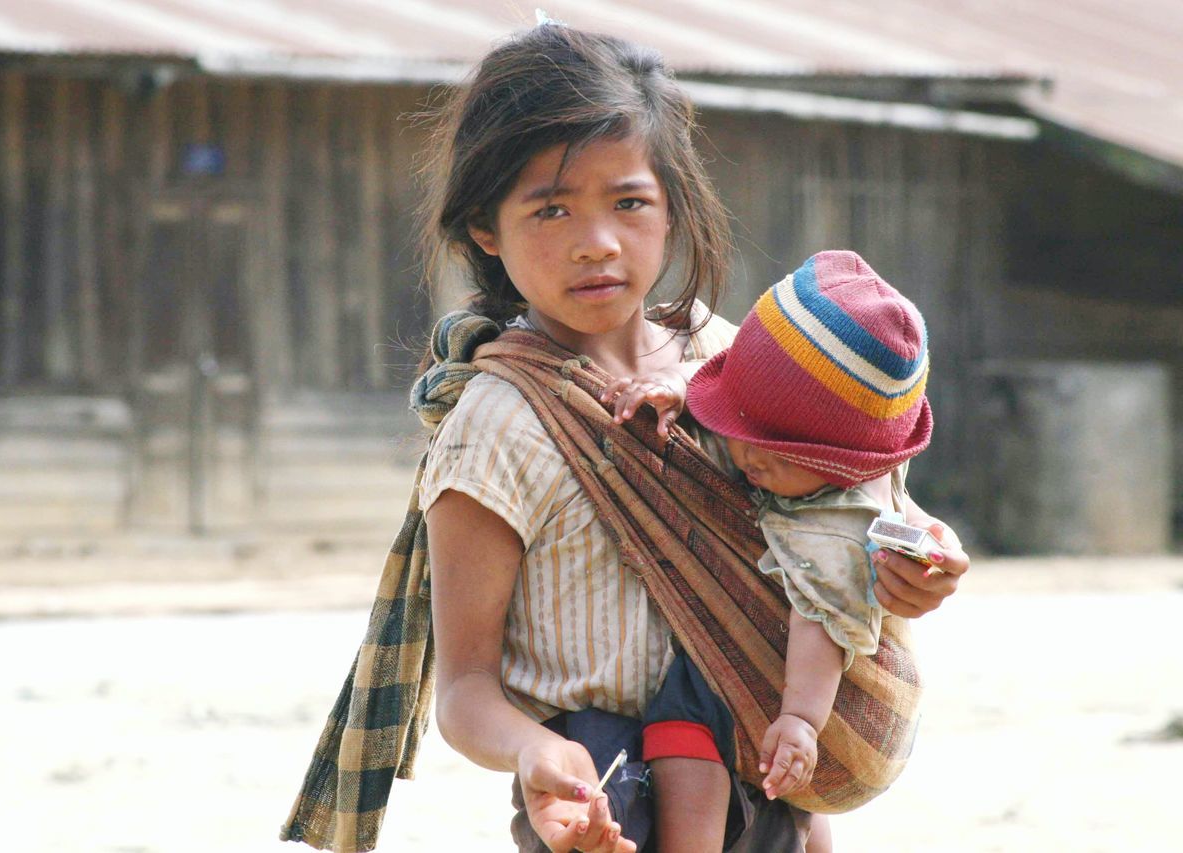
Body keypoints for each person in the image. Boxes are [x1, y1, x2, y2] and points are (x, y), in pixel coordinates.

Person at [281, 21, 969, 853]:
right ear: (486, 231)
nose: (597, 240)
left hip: (766, 765)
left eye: (629, 202)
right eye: (550, 208)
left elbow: (851, 510)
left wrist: (916, 571)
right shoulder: (497, 428)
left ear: (671, 208)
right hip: (602, 793)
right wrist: (537, 749)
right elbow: (464, 688)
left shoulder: (734, 360)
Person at [603, 250, 947, 852]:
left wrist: (800, 721)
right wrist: (675, 386)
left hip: (796, 671)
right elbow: (717, 369)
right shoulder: (812, 426)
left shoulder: (838, 529)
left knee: (704, 736)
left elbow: (820, 623)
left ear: (839, 468)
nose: (748, 456)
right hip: (743, 633)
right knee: (727, 760)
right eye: (739, 428)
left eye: (778, 456)